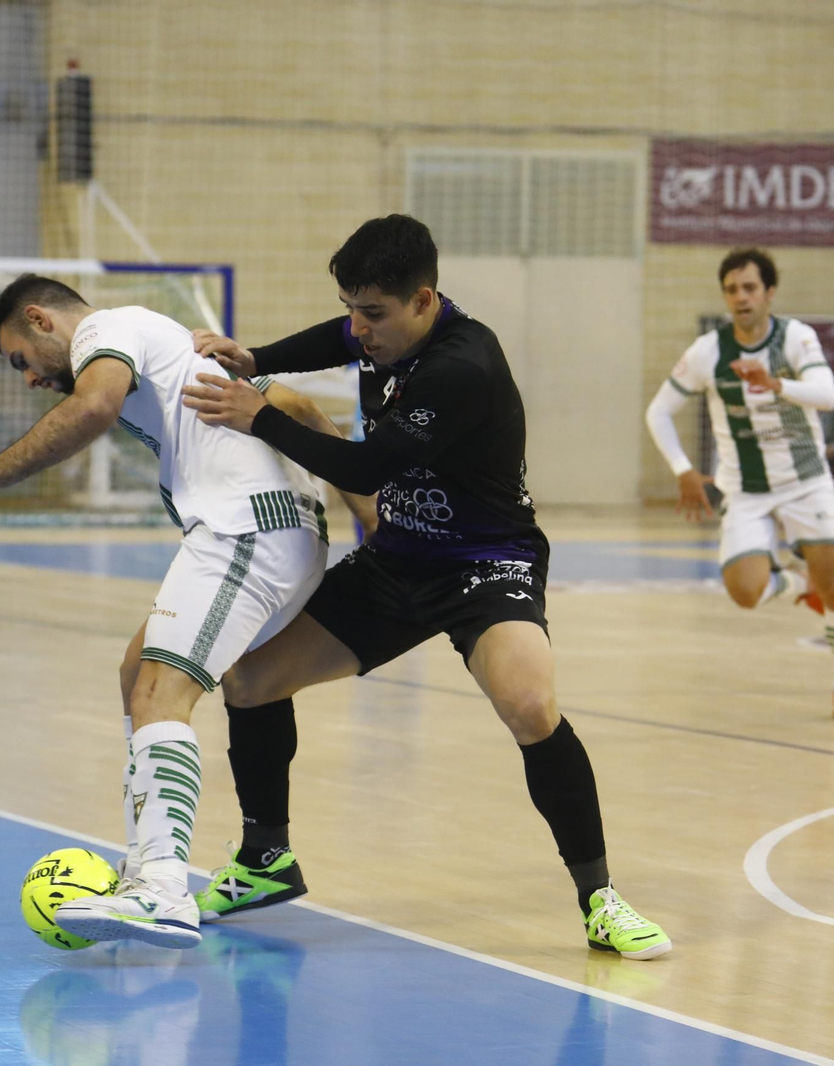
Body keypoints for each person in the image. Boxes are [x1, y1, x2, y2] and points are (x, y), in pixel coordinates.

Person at [178, 214, 671, 960]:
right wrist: (258, 358)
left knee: (531, 705)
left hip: (484, 562)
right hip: (399, 559)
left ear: (424, 300)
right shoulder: (384, 326)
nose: (358, 329)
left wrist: (260, 416)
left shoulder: (461, 367)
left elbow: (366, 471)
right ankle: (265, 859)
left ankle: (600, 898)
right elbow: (335, 341)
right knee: (249, 682)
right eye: (352, 308)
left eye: (372, 314)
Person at [0, 274, 367, 949]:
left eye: (21, 360)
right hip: (265, 530)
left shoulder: (106, 332)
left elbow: (95, 407)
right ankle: (152, 864)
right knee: (138, 674)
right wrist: (368, 517)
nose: (28, 379)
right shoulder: (164, 346)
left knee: (161, 693)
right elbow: (303, 408)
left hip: (246, 530)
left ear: (42, 321)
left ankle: (161, 890)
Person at [644, 247, 834, 721]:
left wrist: (776, 383)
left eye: (749, 288)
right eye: (731, 289)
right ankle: (794, 580)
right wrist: (683, 469)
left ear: (769, 293)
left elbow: (827, 396)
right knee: (745, 592)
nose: (740, 297)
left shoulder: (796, 338)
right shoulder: (708, 352)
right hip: (744, 489)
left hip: (806, 482)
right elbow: (658, 412)